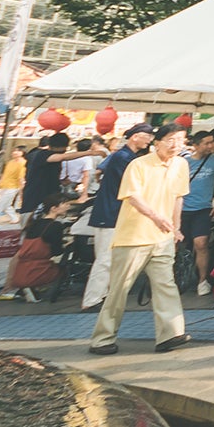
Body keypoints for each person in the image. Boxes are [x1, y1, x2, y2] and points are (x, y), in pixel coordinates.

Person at [89, 124, 192, 357]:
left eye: (180, 140)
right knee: (119, 289)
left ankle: (171, 334)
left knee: (166, 284)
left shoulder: (182, 165)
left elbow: (178, 198)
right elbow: (132, 197)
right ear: (157, 143)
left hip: (162, 238)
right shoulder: (138, 164)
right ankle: (102, 338)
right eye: (170, 140)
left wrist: (175, 228)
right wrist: (156, 217)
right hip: (133, 237)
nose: (176, 144)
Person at [81, 123, 154, 312]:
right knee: (105, 258)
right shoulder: (123, 157)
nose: (150, 140)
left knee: (110, 258)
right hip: (110, 213)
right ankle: (92, 299)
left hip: (114, 213)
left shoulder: (125, 156)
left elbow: (99, 173)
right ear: (136, 136)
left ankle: (102, 296)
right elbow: (136, 185)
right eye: (147, 136)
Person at [0, 193, 75, 301]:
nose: (68, 206)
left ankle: (31, 288)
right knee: (65, 269)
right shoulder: (55, 226)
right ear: (54, 208)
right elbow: (57, 251)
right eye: (65, 204)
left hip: (21, 271)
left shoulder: (34, 223)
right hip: (39, 269)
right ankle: (35, 286)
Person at [181, 131, 214, 297]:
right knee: (180, 245)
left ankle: (202, 280)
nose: (211, 146)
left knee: (201, 243)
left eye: (212, 142)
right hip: (182, 209)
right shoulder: (183, 162)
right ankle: (177, 277)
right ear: (196, 145)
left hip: (203, 208)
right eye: (206, 143)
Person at [22, 132, 104, 216]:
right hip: (34, 199)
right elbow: (62, 157)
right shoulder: (43, 154)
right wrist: (90, 153)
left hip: (47, 198)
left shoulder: (43, 155)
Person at [0, 145, 27, 222]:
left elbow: (21, 178)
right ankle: (14, 218)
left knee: (0, 204)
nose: (15, 152)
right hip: (5, 185)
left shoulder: (23, 163)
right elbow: (5, 173)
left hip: (13, 186)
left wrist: (21, 190)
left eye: (18, 151)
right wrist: (0, 183)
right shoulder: (10, 162)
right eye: (14, 151)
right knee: (6, 205)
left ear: (23, 153)